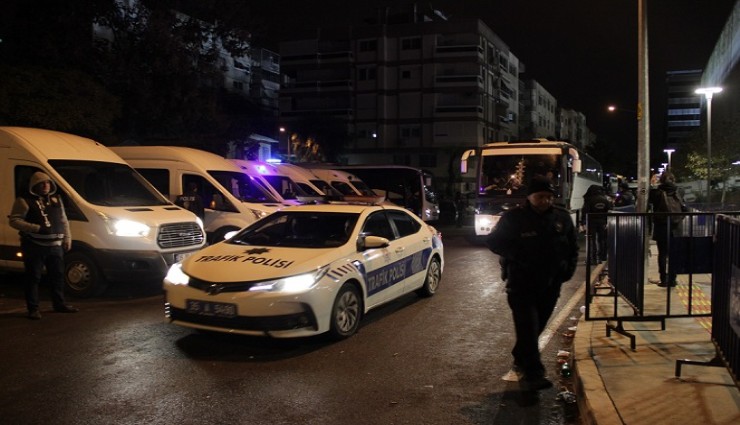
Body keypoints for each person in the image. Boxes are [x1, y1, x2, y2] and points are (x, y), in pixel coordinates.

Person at [486, 176, 579, 391]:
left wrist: (567, 270)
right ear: (529, 197)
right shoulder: (514, 218)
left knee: (538, 325)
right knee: (528, 327)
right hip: (521, 283)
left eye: (548, 197)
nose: (545, 201)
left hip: (551, 283)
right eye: (540, 197)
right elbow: (494, 241)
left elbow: (573, 247)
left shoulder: (562, 218)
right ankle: (534, 374)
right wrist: (519, 255)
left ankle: (521, 355)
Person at [8, 171, 78, 319]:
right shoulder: (24, 201)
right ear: (34, 185)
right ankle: (33, 309)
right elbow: (14, 220)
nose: (45, 185)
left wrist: (67, 238)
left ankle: (59, 304)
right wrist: (36, 228)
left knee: (57, 276)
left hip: (55, 246)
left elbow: (64, 220)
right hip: (35, 245)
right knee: (33, 278)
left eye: (47, 183)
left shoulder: (56, 199)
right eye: (42, 183)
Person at [648, 172, 688, 287]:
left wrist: (652, 184)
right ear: (673, 180)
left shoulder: (656, 192)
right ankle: (672, 279)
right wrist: (678, 219)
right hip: (676, 227)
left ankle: (663, 279)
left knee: (662, 253)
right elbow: (684, 208)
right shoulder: (679, 191)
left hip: (662, 226)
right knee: (674, 254)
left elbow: (649, 203)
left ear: (661, 180)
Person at [581, 184, 613, 264]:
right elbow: (609, 210)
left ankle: (593, 259)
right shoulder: (605, 199)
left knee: (592, 240)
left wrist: (582, 222)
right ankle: (602, 257)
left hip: (591, 222)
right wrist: (607, 221)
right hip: (602, 222)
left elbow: (585, 211)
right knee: (601, 239)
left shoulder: (589, 199)